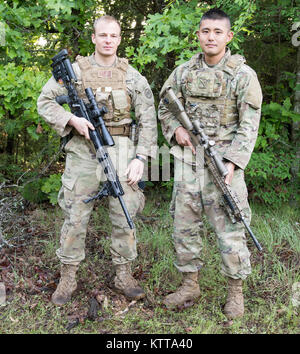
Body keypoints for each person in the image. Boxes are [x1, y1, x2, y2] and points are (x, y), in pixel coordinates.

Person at [37, 15, 157, 306]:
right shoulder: (75, 71)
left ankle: (123, 275)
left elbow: (148, 119)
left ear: (119, 39)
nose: (107, 40)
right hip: (82, 152)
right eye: (102, 35)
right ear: (93, 38)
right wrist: (71, 120)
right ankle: (68, 277)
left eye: (113, 36)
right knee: (76, 217)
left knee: (125, 214)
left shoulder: (132, 76)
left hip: (122, 151)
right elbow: (45, 102)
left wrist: (141, 157)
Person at [158, 8, 262, 319]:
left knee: (230, 227)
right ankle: (190, 284)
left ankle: (235, 292)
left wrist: (233, 162)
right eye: (205, 31)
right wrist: (175, 130)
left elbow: (249, 123)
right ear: (198, 35)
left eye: (217, 32)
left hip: (223, 165)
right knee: (184, 226)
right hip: (190, 163)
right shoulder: (183, 72)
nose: (211, 37)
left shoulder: (243, 75)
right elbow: (165, 105)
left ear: (229, 36)